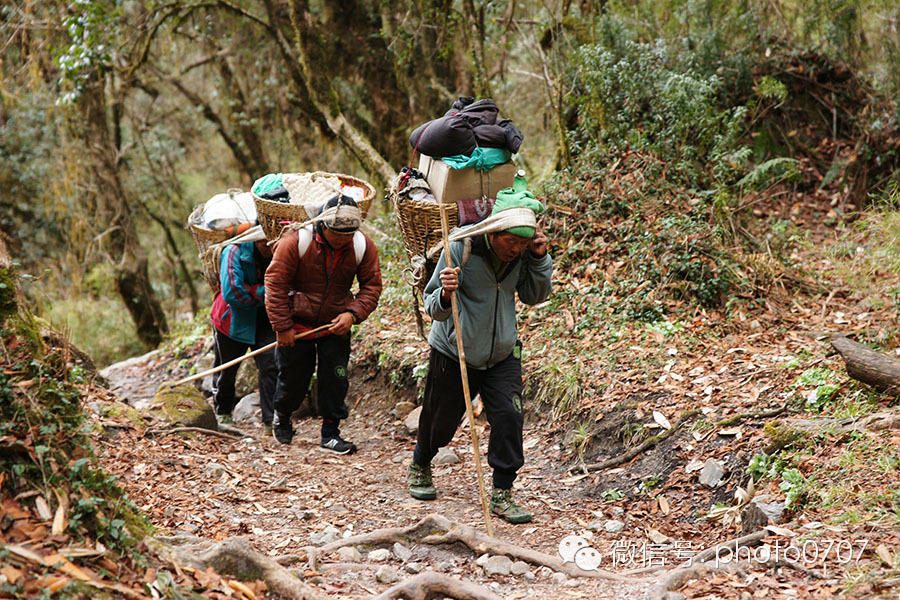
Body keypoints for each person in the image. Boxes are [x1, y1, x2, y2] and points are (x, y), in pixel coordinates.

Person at [407, 187, 552, 524]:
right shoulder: (461, 246)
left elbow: (533, 296)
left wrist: (539, 259)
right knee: (440, 420)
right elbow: (433, 308)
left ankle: (502, 492)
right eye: (510, 243)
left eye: (521, 244)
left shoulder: (521, 255)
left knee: (509, 418)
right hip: (455, 350)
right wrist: (444, 292)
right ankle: (421, 462)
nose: (515, 250)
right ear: (494, 231)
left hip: (502, 352)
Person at [264, 194, 382, 454]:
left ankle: (330, 433)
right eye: (337, 234)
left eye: (348, 235)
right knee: (293, 379)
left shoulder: (362, 246)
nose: (343, 240)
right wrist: (283, 326)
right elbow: (275, 284)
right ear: (323, 226)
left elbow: (372, 286)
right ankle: (282, 415)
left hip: (335, 324)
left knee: (336, 378)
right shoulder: (295, 242)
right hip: (297, 325)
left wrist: (352, 314)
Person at [210, 236, 277, 431]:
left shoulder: (280, 252)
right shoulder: (233, 252)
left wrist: (254, 290)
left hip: (264, 319)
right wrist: (264, 295)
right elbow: (232, 292)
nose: (267, 247)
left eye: (270, 242)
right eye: (263, 242)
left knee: (271, 364)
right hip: (231, 321)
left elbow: (284, 288)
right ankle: (223, 411)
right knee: (227, 370)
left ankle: (270, 420)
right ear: (255, 239)